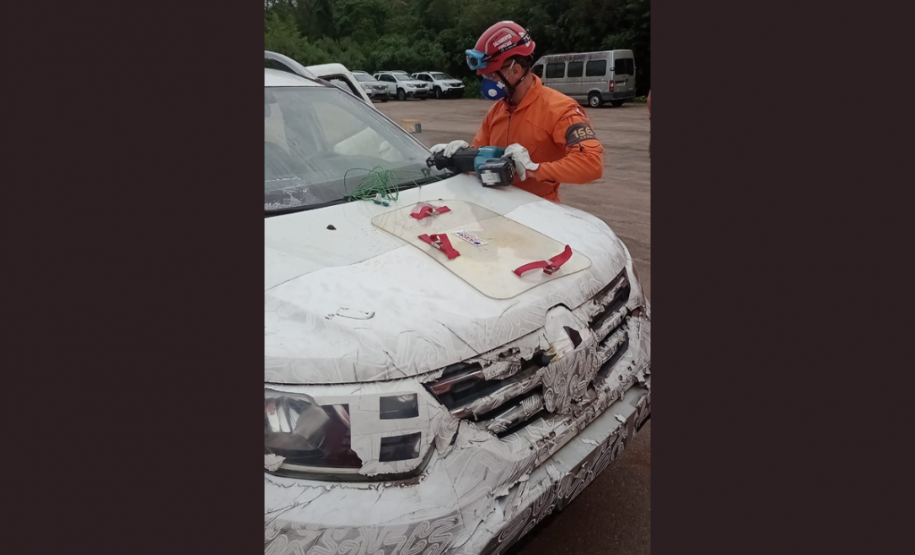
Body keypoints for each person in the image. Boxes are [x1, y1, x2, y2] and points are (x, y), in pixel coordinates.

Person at [430, 21, 604, 202]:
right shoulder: (497, 112)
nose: (488, 83)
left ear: (515, 70)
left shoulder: (561, 110)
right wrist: (458, 157)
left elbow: (591, 164)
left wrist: (533, 169)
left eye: (492, 76)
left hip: (538, 210)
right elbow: (480, 159)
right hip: (496, 206)